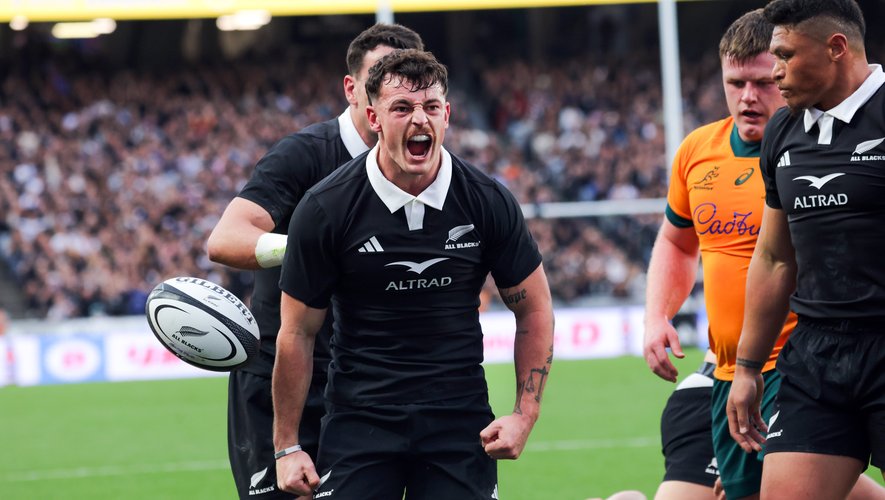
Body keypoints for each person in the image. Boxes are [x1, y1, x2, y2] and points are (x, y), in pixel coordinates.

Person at [272, 49, 554, 499]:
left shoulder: (487, 201)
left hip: (458, 420)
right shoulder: (326, 208)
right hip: (359, 419)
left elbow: (535, 308)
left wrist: (525, 414)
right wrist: (287, 446)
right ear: (374, 118)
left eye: (431, 107)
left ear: (448, 116)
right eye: (402, 108)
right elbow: (297, 332)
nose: (420, 119)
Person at [206, 24, 424, 499]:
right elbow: (225, 240)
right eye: (378, 78)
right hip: (279, 377)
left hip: (367, 384)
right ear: (351, 88)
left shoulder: (421, 166)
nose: (390, 92)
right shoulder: (304, 154)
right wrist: (309, 247)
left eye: (408, 84)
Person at [727, 0, 885, 498]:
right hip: (816, 356)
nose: (775, 71)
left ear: (836, 47)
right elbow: (775, 258)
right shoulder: (783, 129)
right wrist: (748, 368)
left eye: (785, 55)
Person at [643, 9, 792, 500]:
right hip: (730, 373)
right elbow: (676, 241)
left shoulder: (813, 147)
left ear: (785, 73)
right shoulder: (696, 151)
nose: (748, 97)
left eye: (762, 83)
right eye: (736, 83)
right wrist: (657, 315)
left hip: (800, 365)